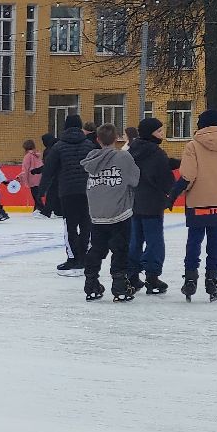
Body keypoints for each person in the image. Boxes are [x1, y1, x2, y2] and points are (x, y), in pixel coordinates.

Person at [171, 109, 217, 301]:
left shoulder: (193, 145)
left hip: (198, 201)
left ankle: (190, 279)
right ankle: (212, 279)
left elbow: (188, 175)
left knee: (194, 241)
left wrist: (173, 194)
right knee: (215, 242)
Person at [81, 124, 139, 302]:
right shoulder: (123, 156)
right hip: (119, 212)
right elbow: (134, 179)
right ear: (116, 138)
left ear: (97, 140)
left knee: (97, 248)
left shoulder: (92, 157)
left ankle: (91, 281)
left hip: (97, 214)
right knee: (120, 248)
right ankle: (120, 283)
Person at [126, 117, 176, 295]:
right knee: (154, 240)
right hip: (152, 204)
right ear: (151, 133)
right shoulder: (156, 153)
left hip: (133, 203)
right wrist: (171, 191)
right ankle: (152, 277)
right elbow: (164, 178)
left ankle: (131, 274)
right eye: (159, 131)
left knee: (134, 239)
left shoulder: (131, 151)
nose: (162, 134)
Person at [44, 115, 95, 274]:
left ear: (65, 127)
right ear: (80, 127)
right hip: (88, 191)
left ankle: (73, 259)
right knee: (86, 224)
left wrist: (41, 190)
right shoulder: (89, 145)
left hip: (67, 192)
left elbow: (49, 170)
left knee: (70, 226)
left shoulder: (58, 146)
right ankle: (84, 258)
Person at [21, 138, 46, 216]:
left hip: (32, 177)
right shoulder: (37, 155)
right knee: (37, 194)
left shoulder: (28, 156)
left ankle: (43, 209)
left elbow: (25, 169)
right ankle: (36, 209)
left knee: (35, 195)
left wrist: (22, 178)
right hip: (40, 177)